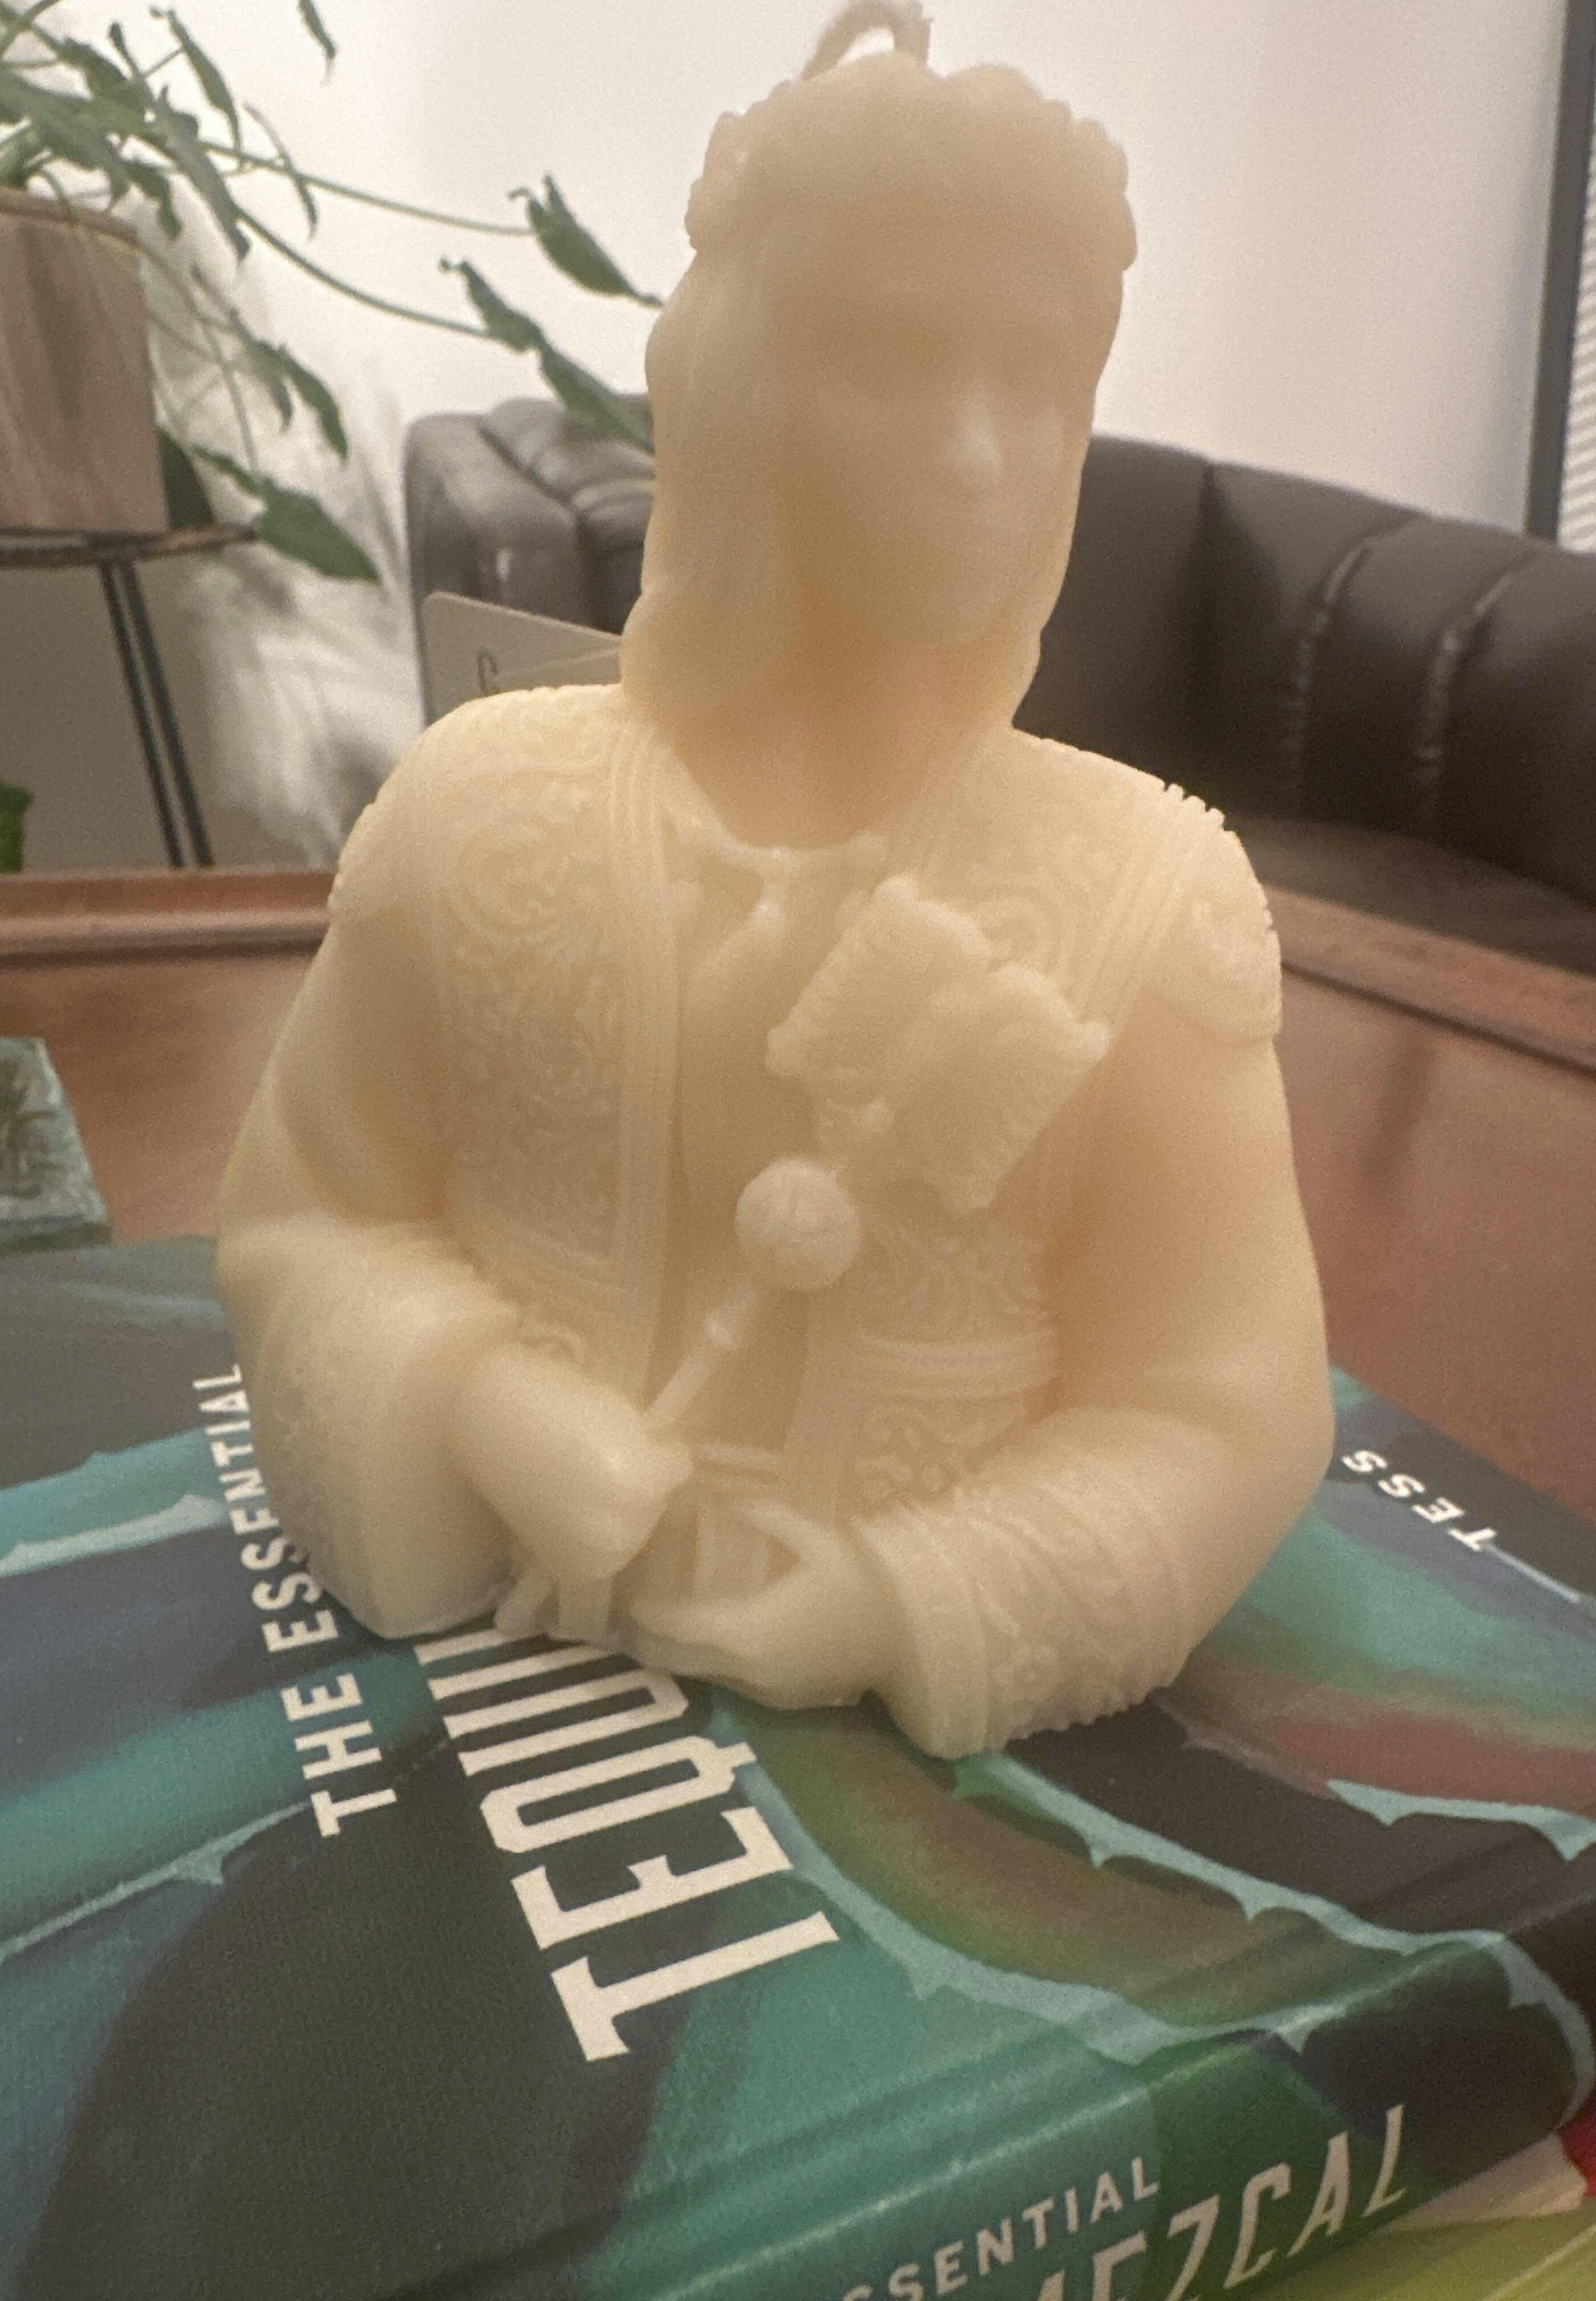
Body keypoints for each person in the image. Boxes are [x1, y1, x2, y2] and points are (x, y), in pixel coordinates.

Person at [217, 12, 1334, 1760]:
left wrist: (911, 1602)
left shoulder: (1151, 897)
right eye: (889, 358)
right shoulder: (471, 817)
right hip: (476, 1737)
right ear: (742, 385)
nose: (977, 450)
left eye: (1035, 380)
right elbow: (303, 1218)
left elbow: (1231, 1405)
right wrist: (479, 1412)